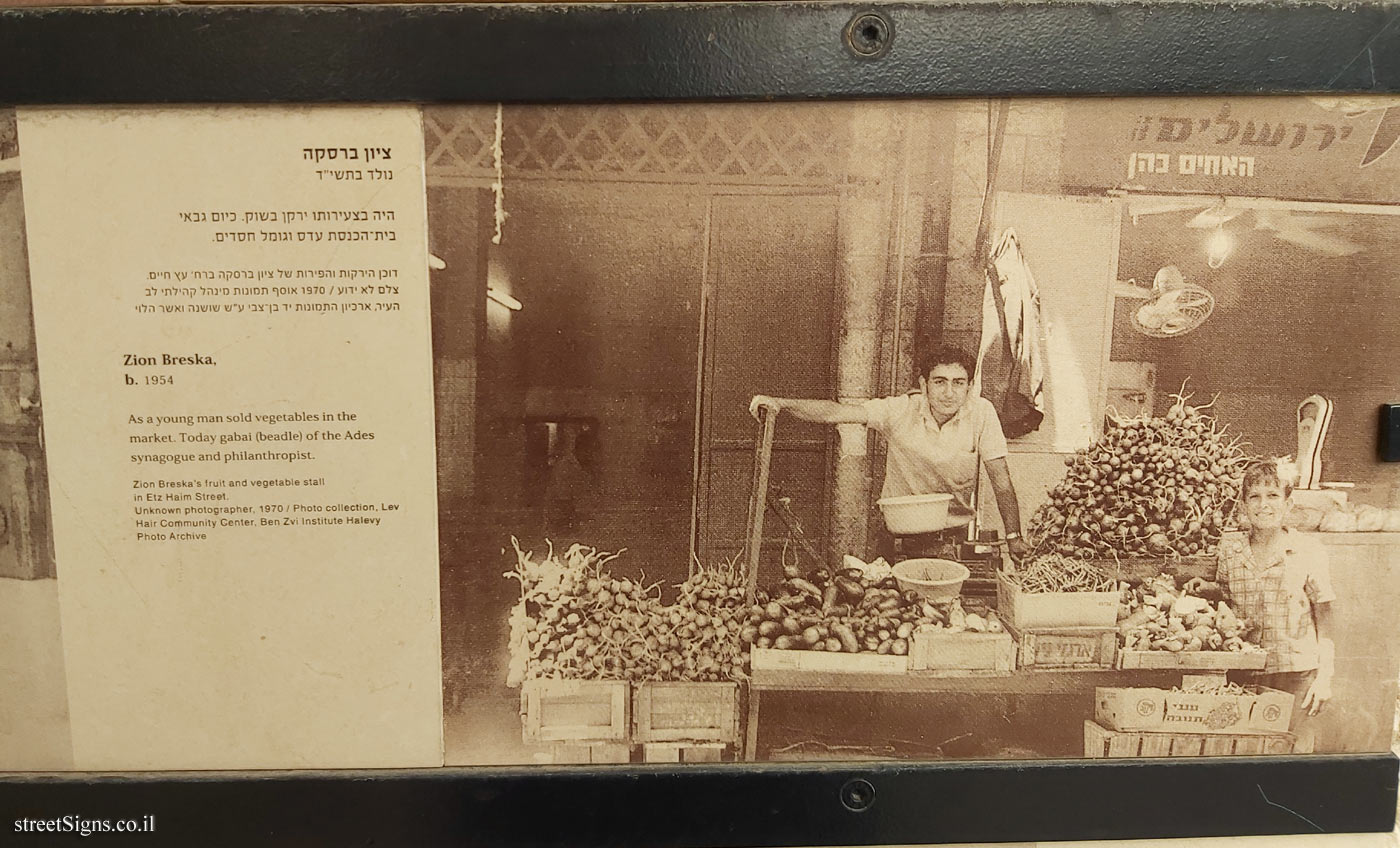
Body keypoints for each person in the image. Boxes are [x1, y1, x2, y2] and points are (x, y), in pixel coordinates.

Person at [749, 345, 1030, 561]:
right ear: (923, 385)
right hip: (899, 536)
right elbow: (837, 412)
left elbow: (1001, 480)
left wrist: (1014, 535)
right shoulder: (899, 410)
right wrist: (781, 404)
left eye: (958, 383)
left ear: (969, 387)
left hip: (953, 538)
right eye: (939, 381)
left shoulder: (981, 413)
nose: (949, 392)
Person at [1184, 458, 1337, 753]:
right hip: (1243, 672)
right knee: (1241, 756)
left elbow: (1325, 617)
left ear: (1288, 504)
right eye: (1254, 496)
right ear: (1243, 505)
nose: (1263, 505)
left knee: (1291, 758)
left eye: (1273, 496)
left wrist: (1325, 678)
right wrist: (1208, 590)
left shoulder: (1308, 551)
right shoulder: (1230, 549)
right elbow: (1230, 599)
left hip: (1296, 673)